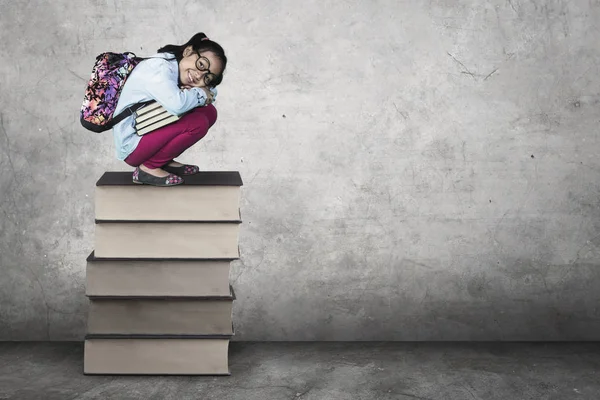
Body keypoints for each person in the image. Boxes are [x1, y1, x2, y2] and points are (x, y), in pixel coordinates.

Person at [111, 32, 228, 186]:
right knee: (198, 122)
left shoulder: (177, 64)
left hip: (148, 129)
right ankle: (148, 168)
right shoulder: (160, 68)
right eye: (201, 65)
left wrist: (198, 90)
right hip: (132, 144)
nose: (199, 76)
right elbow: (178, 105)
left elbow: (211, 93)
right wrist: (198, 91)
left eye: (207, 77)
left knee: (209, 112)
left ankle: (163, 160)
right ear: (188, 51)